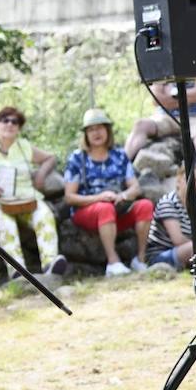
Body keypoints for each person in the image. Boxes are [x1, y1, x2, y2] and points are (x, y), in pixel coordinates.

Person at [0, 106, 68, 279]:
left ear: (19, 127)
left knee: (45, 215)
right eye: (5, 120)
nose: (10, 124)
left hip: (27, 199)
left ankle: (51, 264)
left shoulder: (24, 146)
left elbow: (50, 157)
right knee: (6, 225)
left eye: (15, 122)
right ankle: (17, 272)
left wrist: (41, 174)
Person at [64, 108, 154, 277]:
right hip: (88, 211)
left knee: (145, 206)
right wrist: (99, 198)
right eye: (91, 129)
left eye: (100, 128)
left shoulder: (119, 155)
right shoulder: (77, 158)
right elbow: (69, 197)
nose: (96, 133)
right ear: (85, 134)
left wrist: (123, 196)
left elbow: (135, 187)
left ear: (107, 130)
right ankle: (113, 262)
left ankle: (140, 259)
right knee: (104, 208)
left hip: (117, 209)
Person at [125, 78, 196, 163]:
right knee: (141, 125)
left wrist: (171, 93)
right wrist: (188, 96)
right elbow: (156, 99)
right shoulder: (164, 66)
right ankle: (121, 167)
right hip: (166, 116)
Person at [145, 163, 196, 269]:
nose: (193, 183)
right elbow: (178, 240)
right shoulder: (168, 202)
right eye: (188, 179)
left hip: (187, 251)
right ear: (179, 180)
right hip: (161, 255)